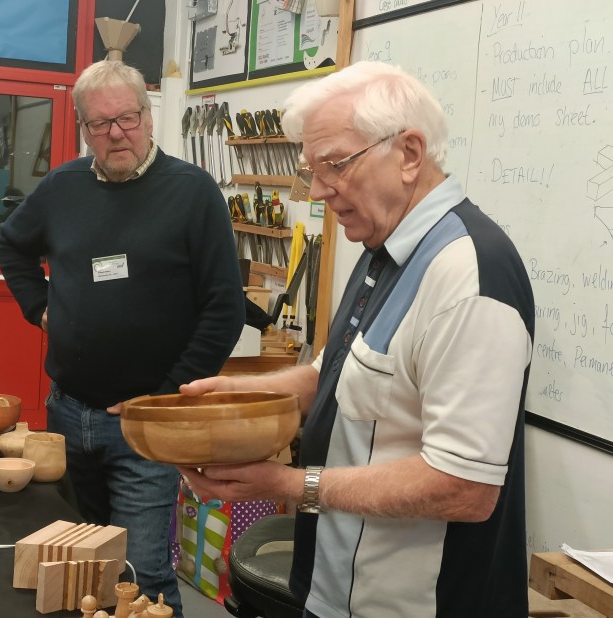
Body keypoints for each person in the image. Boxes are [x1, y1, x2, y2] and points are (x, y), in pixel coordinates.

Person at [178, 61, 535, 617]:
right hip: (334, 590)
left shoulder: (468, 276)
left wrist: (290, 484)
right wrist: (242, 396)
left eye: (336, 165)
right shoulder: (382, 248)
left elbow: (463, 486)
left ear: (409, 153)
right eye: (312, 170)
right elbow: (333, 375)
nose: (320, 190)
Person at [0, 60, 246, 616]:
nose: (116, 133)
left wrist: (166, 397)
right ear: (83, 128)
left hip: (147, 427)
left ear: (148, 117)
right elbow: (11, 245)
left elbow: (224, 311)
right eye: (100, 123)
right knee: (73, 569)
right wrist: (40, 308)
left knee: (141, 574)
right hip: (66, 415)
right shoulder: (62, 187)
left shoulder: (192, 192)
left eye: (127, 118)